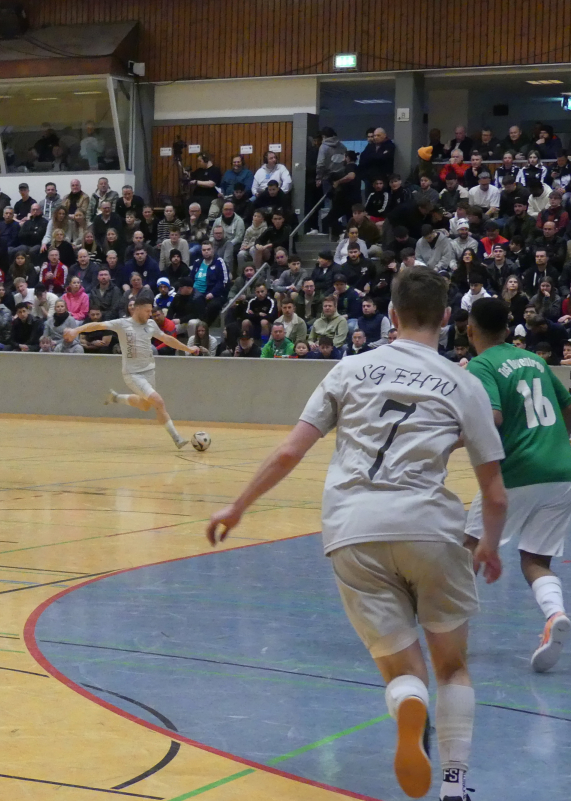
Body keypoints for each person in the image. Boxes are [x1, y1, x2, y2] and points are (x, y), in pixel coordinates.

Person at [206, 266, 508, 801]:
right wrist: (488, 541)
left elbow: (290, 451)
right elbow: (496, 492)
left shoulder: (350, 368)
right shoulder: (464, 384)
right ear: (446, 318)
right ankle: (455, 783)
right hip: (430, 529)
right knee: (453, 667)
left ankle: (408, 698)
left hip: (352, 529)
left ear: (391, 315)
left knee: (403, 671)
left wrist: (238, 506)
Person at [464, 298, 571, 672]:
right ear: (507, 327)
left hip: (517, 473)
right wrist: (552, 446)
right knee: (535, 559)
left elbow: (493, 416)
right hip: (563, 474)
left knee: (469, 546)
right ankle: (555, 614)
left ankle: (448, 626)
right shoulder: (534, 360)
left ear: (470, 329)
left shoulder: (482, 364)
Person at [63, 288, 201, 448]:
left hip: (149, 370)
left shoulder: (150, 324)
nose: (150, 314)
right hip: (133, 374)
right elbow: (97, 325)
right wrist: (76, 330)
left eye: (151, 311)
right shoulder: (122, 324)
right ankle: (177, 438)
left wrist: (188, 349)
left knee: (145, 405)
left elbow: (167, 339)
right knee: (158, 401)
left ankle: (116, 398)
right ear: (137, 309)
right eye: (147, 311)